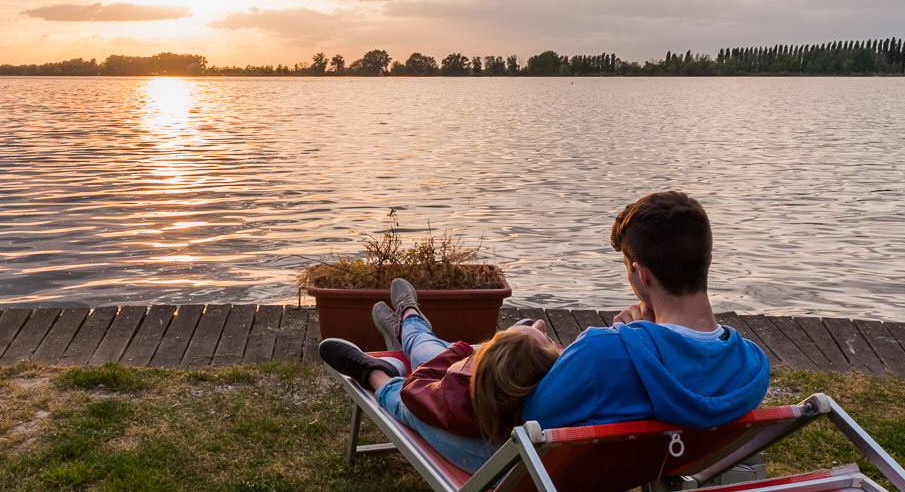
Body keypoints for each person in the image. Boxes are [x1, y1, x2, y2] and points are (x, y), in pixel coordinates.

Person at [319, 191, 771, 471]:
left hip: (525, 465)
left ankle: (377, 376)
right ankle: (413, 330)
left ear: (640, 275)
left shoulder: (604, 354)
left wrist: (620, 336)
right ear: (705, 262)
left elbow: (506, 411)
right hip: (624, 468)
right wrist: (646, 332)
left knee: (421, 404)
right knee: (490, 347)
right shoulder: (750, 365)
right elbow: (678, 370)